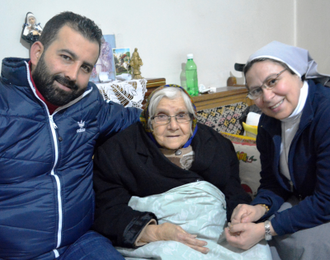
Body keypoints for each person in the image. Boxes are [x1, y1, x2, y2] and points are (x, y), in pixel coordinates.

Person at [0, 11, 142, 260]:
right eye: (66, 57)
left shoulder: (88, 104)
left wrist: (174, 108)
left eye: (85, 67)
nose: (73, 76)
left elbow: (138, 117)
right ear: (37, 52)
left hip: (82, 243)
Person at [92, 85, 272, 259]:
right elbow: (107, 210)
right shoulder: (117, 151)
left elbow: (233, 192)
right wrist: (155, 232)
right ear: (149, 120)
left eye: (181, 116)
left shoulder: (217, 144)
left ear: (192, 119)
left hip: (220, 233)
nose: (173, 126)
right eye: (162, 116)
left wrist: (240, 217)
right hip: (160, 238)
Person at [225, 41, 330, 260]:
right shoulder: (268, 123)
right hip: (307, 200)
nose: (268, 97)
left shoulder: (325, 113)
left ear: (297, 73)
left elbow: (326, 200)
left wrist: (265, 228)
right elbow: (273, 182)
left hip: (323, 204)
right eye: (256, 91)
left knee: (304, 244)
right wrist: (258, 209)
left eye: (272, 82)